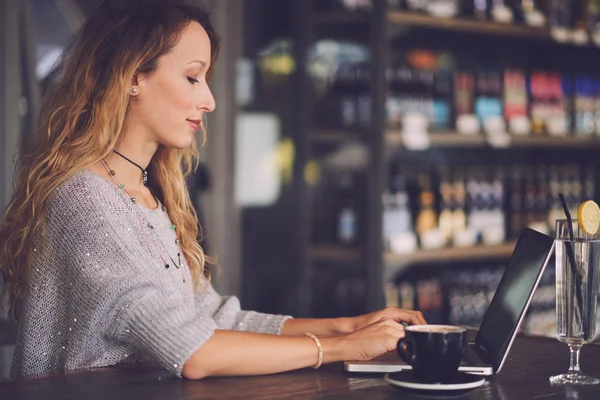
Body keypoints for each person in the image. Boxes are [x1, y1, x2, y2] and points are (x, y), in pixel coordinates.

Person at [0, 0, 425, 380]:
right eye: (192, 78)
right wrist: (339, 349)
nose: (209, 100)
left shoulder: (143, 192)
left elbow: (212, 317)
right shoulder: (84, 202)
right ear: (133, 77)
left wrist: (347, 325)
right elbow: (192, 349)